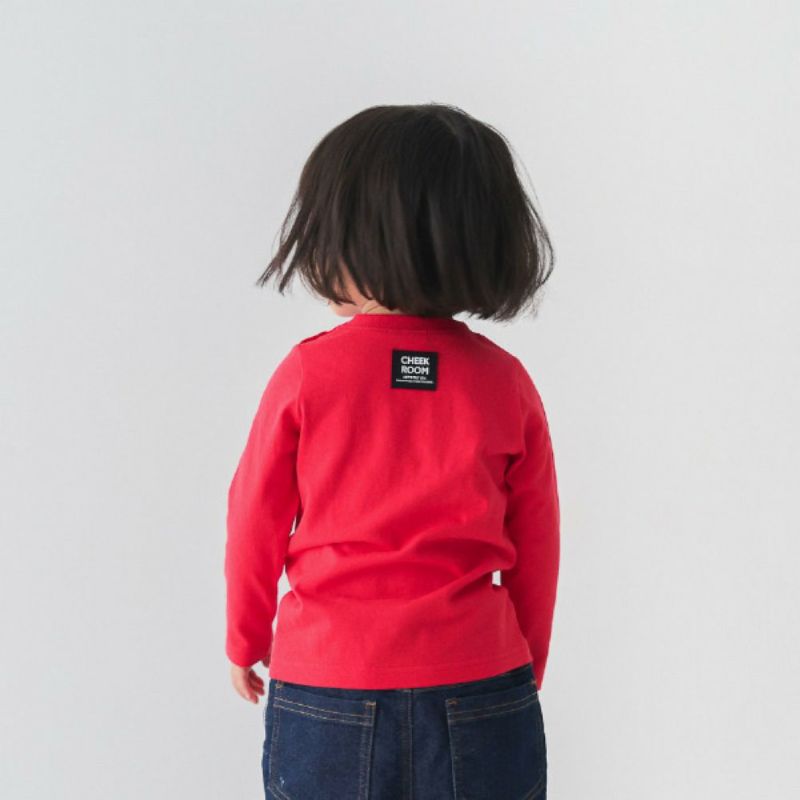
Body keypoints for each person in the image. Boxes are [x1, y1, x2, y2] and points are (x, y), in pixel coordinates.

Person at [224, 103, 561, 800]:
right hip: (481, 683)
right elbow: (537, 540)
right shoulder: (504, 383)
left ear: (355, 240)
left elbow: (254, 518)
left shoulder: (307, 376)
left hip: (330, 686)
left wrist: (245, 637)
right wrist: (524, 659)